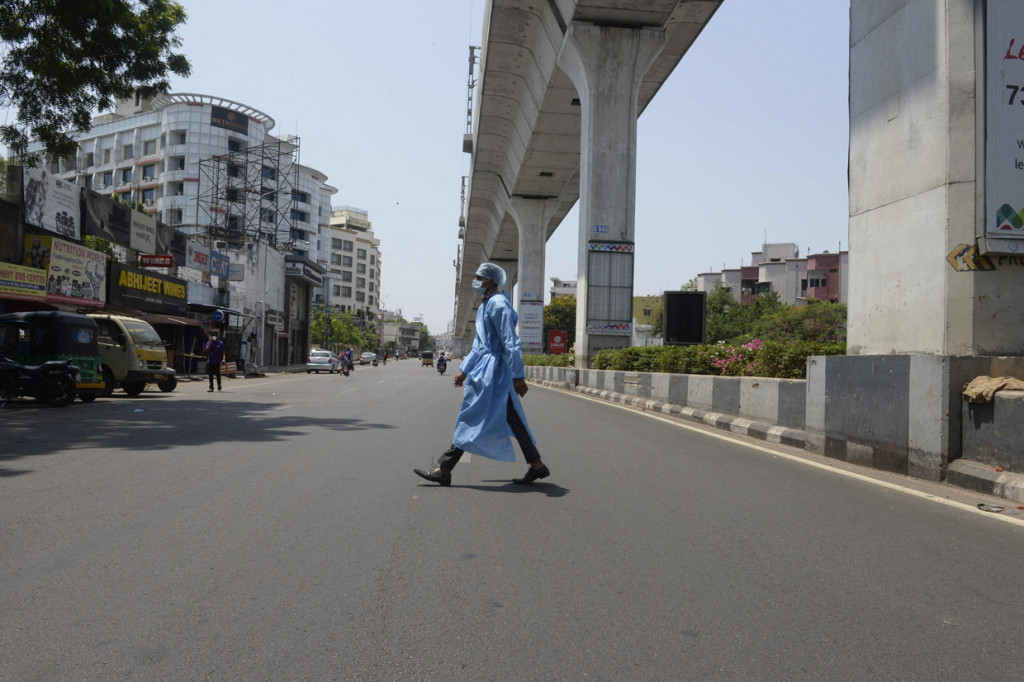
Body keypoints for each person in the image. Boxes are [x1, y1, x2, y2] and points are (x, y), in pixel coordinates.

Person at [414, 262, 550, 486]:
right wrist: (464, 370)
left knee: (472, 415)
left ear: (490, 281)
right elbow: (479, 345)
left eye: (479, 277)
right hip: (487, 370)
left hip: (494, 372)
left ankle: (445, 468)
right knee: (511, 417)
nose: (475, 281)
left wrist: (518, 375)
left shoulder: (498, 304)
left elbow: (511, 341)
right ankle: (536, 465)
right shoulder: (487, 305)